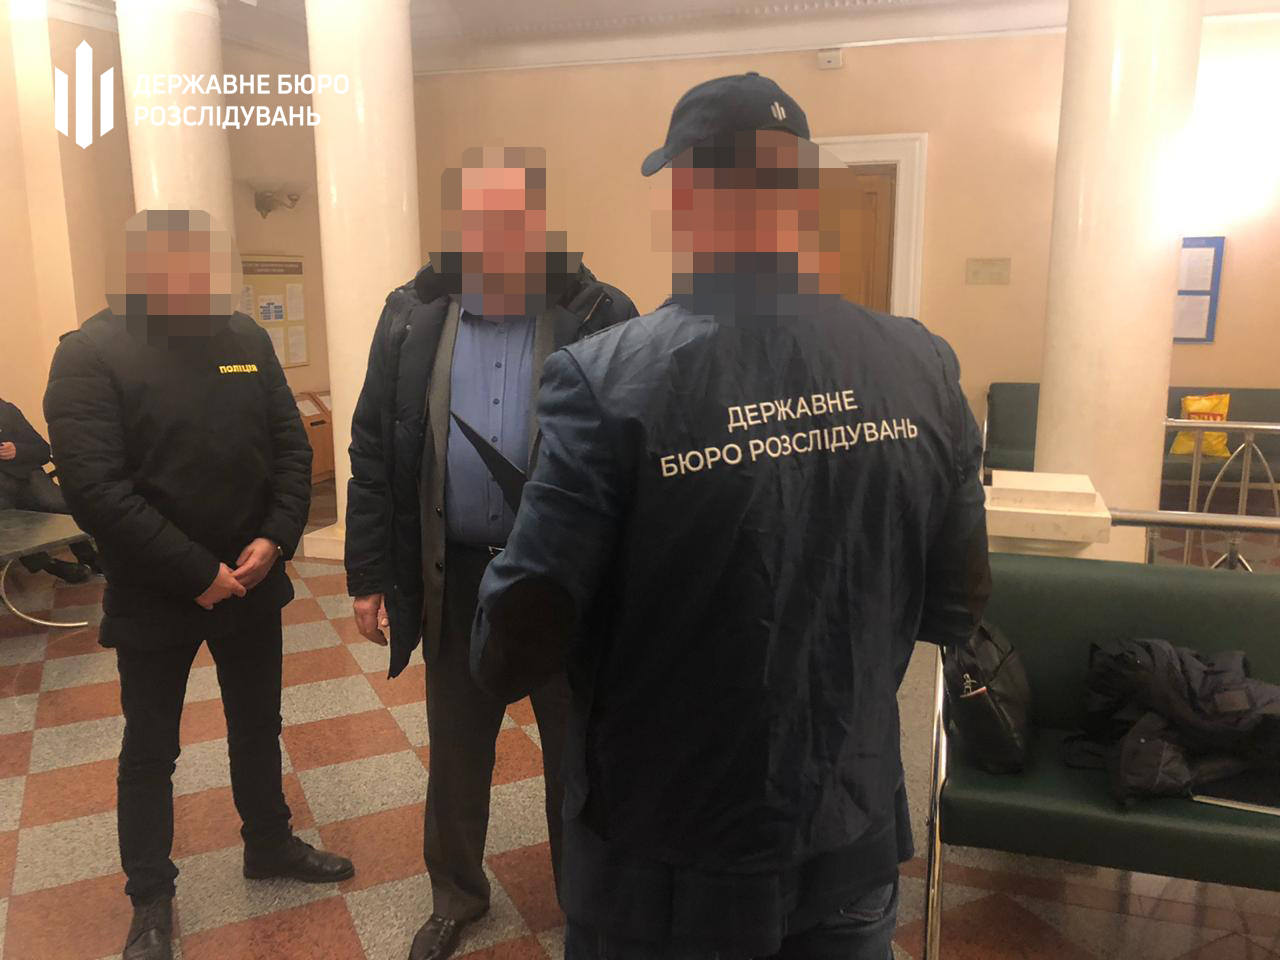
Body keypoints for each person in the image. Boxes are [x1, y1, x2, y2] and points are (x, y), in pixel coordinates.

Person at [471, 74, 991, 960]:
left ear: (685, 197)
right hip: (848, 835)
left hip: (666, 864)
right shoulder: (921, 364)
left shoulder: (606, 380)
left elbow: (515, 644)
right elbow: (957, 604)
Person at [344, 146, 637, 960]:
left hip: (563, 575)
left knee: (578, 751)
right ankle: (457, 895)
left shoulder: (599, 312)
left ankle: (587, 900)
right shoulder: (412, 317)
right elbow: (374, 448)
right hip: (456, 573)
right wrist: (369, 575)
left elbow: (638, 452)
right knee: (457, 750)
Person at [44, 209, 354, 960]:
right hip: (156, 593)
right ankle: (151, 897)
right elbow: (95, 489)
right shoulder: (89, 353)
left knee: (258, 726)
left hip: (252, 580)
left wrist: (275, 538)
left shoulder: (243, 340)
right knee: (151, 749)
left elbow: (291, 448)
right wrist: (195, 573)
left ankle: (269, 843)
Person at [0, 396, 99, 582]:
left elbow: (43, 450)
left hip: (27, 476)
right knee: (7, 526)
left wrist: (18, 450)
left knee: (57, 503)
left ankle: (88, 555)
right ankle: (51, 565)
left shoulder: (6, 410)